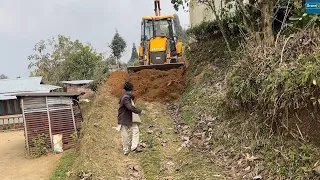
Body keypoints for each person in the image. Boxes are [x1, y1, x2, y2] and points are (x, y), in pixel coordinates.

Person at [118, 82, 144, 155]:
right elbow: (130, 107)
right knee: (131, 132)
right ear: (131, 89)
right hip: (125, 118)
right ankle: (132, 147)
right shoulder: (126, 98)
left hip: (123, 118)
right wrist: (139, 111)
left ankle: (128, 149)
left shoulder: (124, 97)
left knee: (127, 133)